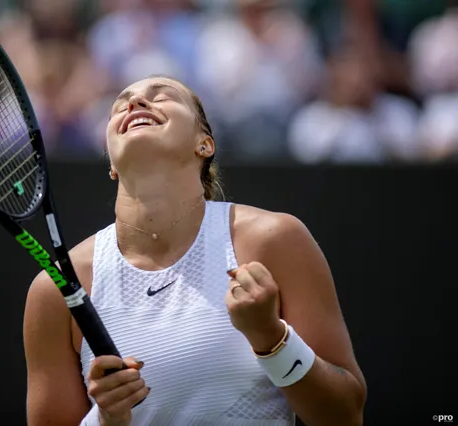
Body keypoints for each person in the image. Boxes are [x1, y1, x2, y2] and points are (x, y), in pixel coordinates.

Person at [23, 75, 367, 426]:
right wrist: (106, 419)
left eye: (162, 96)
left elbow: (346, 415)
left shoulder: (275, 239)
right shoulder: (54, 291)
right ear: (111, 162)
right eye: (121, 104)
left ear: (204, 144)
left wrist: (272, 338)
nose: (136, 104)